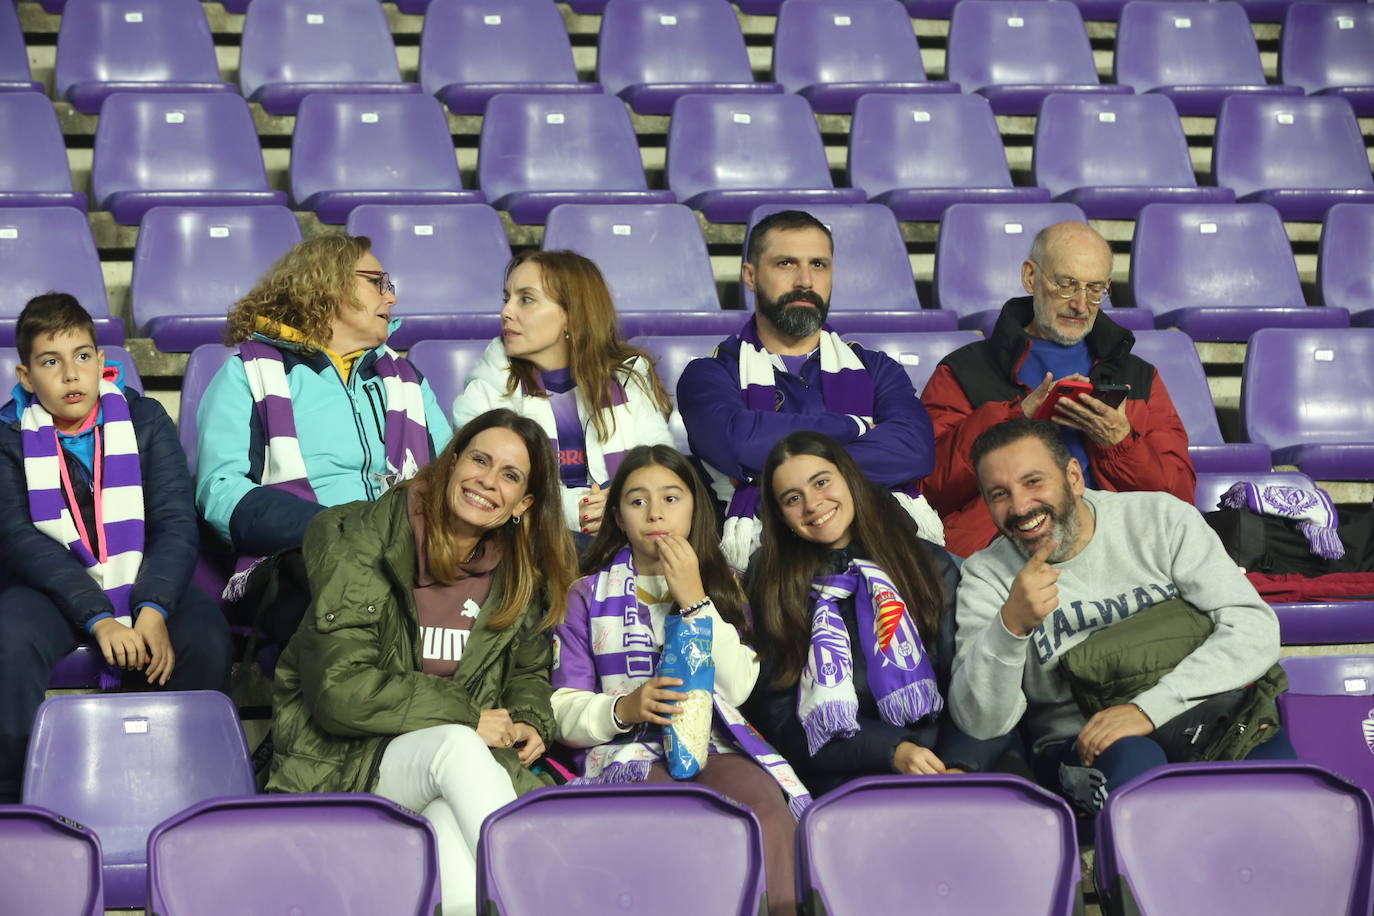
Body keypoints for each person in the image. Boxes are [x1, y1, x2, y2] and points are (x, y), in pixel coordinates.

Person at [268, 408, 577, 916]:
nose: (487, 481)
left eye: (510, 476)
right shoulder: (362, 539)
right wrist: (468, 716)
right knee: (454, 746)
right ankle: (547, 900)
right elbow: (339, 692)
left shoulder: (519, 572)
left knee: (452, 840)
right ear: (451, 462)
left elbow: (527, 671)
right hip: (347, 760)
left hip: (451, 774)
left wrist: (529, 720)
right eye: (479, 460)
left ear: (524, 503)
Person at [949, 418, 1294, 813]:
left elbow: (1254, 627)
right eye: (999, 494)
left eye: (1033, 482)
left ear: (1073, 477)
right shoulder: (986, 575)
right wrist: (1011, 627)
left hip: (1195, 709)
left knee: (1279, 784)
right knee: (1136, 771)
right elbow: (980, 722)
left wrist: (1147, 709)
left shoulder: (1159, 519)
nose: (1020, 507)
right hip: (1081, 741)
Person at [552, 444, 808, 916]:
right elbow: (562, 708)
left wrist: (694, 599)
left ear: (694, 508)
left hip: (712, 744)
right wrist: (624, 709)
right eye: (637, 501)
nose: (655, 514)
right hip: (624, 753)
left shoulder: (727, 586)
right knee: (666, 813)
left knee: (763, 800)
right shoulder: (584, 595)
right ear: (619, 516)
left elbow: (737, 690)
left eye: (671, 498)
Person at [0, 294, 232, 803]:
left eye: (82, 356)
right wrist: (99, 617)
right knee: (9, 640)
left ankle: (182, 791)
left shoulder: (145, 418)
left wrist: (152, 608)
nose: (70, 375)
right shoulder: (8, 436)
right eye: (50, 362)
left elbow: (175, 523)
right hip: (52, 583)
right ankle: (14, 797)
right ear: (25, 376)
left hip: (144, 572)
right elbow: (20, 541)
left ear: (101, 363)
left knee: (206, 640)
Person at [195, 234, 452, 644]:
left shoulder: (408, 382)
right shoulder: (248, 374)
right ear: (327, 284)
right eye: (377, 282)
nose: (392, 298)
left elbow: (449, 481)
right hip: (300, 557)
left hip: (407, 552)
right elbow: (221, 492)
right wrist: (333, 529)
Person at [743, 431, 1004, 799]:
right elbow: (778, 717)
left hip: (951, 763)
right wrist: (892, 751)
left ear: (848, 478)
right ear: (781, 516)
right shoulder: (772, 584)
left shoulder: (926, 562)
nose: (813, 504)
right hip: (843, 778)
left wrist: (959, 766)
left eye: (821, 482)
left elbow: (978, 680)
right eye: (792, 498)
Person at [677, 210, 942, 569]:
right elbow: (739, 444)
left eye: (818, 265)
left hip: (887, 550)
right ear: (751, 276)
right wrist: (856, 427)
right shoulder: (709, 376)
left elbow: (914, 451)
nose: (805, 280)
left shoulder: (876, 369)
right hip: (768, 567)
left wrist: (776, 463)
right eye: (786, 263)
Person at [920, 221, 1194, 558]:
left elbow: (1179, 499)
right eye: (1066, 285)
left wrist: (1120, 445)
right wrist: (1013, 420)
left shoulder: (1138, 376)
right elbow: (927, 489)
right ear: (1030, 277)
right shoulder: (963, 372)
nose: (1081, 304)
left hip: (1121, 556)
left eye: (1095, 289)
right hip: (1005, 556)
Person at [453, 250, 673, 539]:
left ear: (572, 315)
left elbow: (660, 468)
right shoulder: (489, 385)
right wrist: (589, 510)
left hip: (624, 535)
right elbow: (488, 488)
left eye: (526, 299)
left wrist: (622, 503)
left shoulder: (627, 376)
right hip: (527, 542)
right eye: (507, 298)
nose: (506, 312)